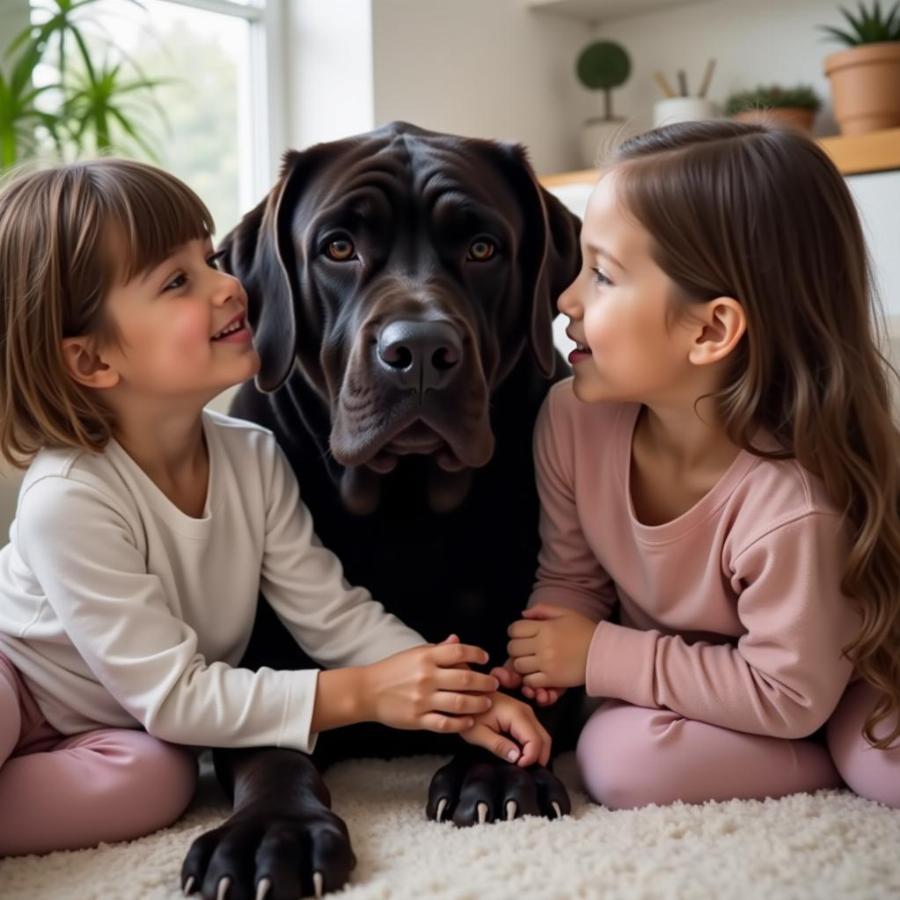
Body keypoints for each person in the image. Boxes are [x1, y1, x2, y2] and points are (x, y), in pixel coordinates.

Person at [0, 159, 549, 856]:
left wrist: (454, 695)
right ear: (92, 362)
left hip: (111, 725)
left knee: (162, 781)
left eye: (206, 258)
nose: (231, 284)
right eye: (178, 281)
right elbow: (175, 695)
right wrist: (362, 695)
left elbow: (332, 612)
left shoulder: (252, 456)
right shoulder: (68, 497)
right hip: (18, 679)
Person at [495, 121, 900, 810]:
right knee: (620, 762)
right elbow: (573, 574)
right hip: (735, 680)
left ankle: (821, 753)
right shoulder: (573, 419)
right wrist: (545, 651)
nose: (566, 301)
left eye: (602, 275)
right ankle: (801, 745)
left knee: (885, 768)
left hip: (843, 668)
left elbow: (790, 689)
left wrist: (602, 655)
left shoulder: (792, 503)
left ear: (710, 330)